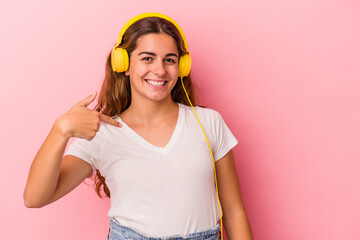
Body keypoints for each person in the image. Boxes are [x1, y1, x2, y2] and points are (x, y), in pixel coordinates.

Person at [24, 13, 254, 240]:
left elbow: (234, 213)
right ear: (123, 64)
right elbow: (35, 198)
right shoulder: (102, 134)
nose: (160, 70)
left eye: (170, 60)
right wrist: (60, 130)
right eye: (147, 58)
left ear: (181, 67)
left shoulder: (209, 123)